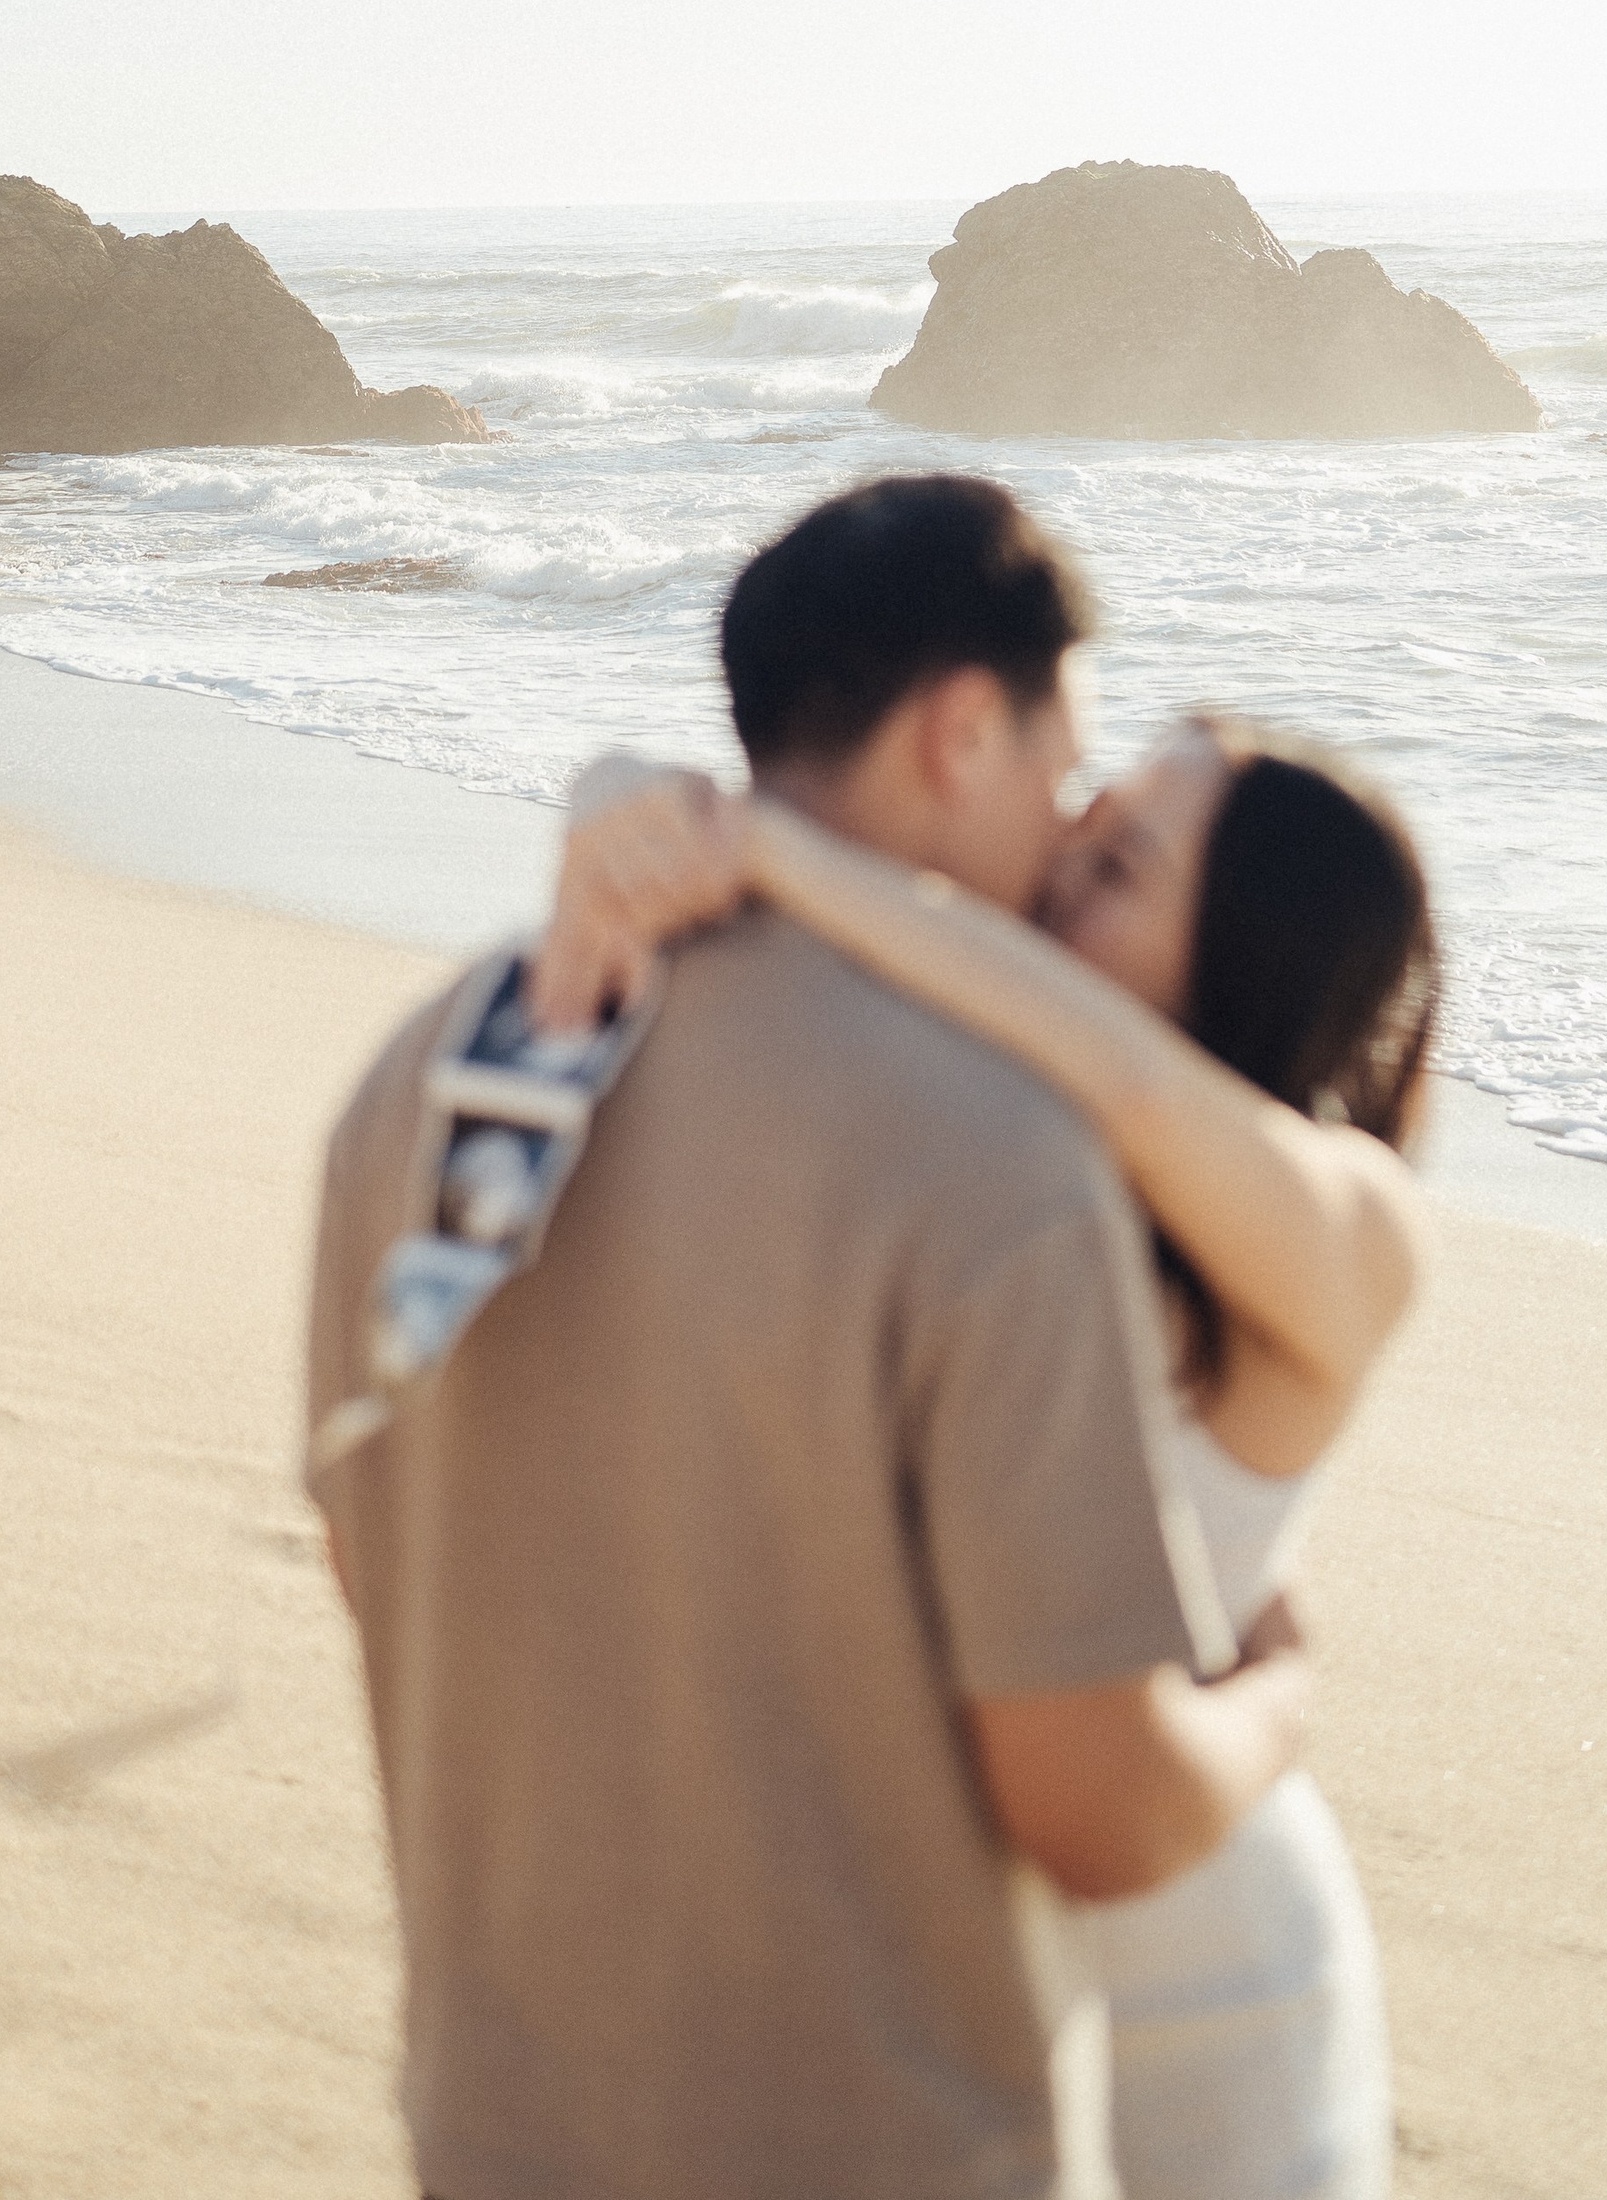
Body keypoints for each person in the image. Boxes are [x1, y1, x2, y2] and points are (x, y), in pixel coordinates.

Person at [307, 475, 1312, 2200]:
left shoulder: (422, 1078)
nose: (1069, 833)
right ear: (960, 730)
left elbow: (367, 1543)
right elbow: (1100, 1809)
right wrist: (1286, 1695)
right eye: (1062, 776)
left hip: (494, 2123)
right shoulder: (997, 1157)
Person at [532, 606, 1437, 2200]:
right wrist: (622, 796)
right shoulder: (988, 1134)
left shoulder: (1347, 1227)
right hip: (917, 1997)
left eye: (1119, 867)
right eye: (1082, 826)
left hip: (1201, 1987)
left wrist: (763, 845)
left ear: (1241, 956)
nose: (1051, 867)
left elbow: (1146, 1089)